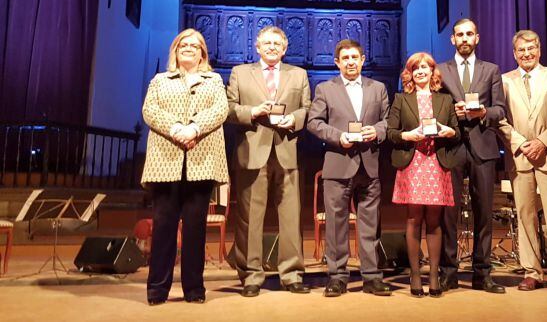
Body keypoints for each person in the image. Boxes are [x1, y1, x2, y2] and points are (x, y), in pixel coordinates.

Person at [141, 28, 229, 305]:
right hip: (165, 161)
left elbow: (220, 110)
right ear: (175, 50)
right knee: (164, 226)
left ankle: (194, 289)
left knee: (195, 229)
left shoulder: (213, 80)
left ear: (203, 52)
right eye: (183, 45)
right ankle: (157, 289)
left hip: (201, 160)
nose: (189, 48)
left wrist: (194, 129)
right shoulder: (159, 80)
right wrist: (176, 128)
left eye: (195, 45)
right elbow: (150, 110)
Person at [226, 26, 311, 297]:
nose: (272, 47)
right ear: (257, 47)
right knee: (249, 218)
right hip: (252, 151)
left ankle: (292, 274)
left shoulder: (298, 74)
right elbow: (228, 108)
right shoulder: (240, 73)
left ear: (285, 48)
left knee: (291, 216)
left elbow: (308, 108)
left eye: (277, 43)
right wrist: (253, 111)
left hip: (287, 149)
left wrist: (295, 119)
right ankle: (251, 275)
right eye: (267, 43)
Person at [307, 39, 392, 297]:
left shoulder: (378, 88)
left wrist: (376, 131)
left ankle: (372, 276)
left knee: (370, 224)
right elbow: (313, 122)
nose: (351, 62)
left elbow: (389, 121)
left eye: (355, 57)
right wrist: (337, 136)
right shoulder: (325, 88)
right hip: (338, 164)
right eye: (345, 58)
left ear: (363, 59)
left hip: (369, 165)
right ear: (337, 62)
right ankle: (337, 276)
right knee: (336, 224)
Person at [497, 30, 547, 292]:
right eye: (521, 50)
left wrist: (543, 142)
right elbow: (500, 119)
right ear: (514, 53)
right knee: (525, 215)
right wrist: (522, 143)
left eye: (531, 48)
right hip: (520, 156)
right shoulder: (504, 81)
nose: (526, 53)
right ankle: (532, 271)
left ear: (539, 50)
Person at [436, 19, 507, 294]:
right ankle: (449, 272)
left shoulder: (492, 70)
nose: (464, 38)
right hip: (451, 146)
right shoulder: (440, 70)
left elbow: (500, 109)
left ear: (477, 37)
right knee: (448, 213)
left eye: (469, 34)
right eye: (459, 34)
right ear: (452, 39)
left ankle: (483, 274)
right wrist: (452, 111)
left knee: (484, 213)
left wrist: (483, 113)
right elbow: (432, 109)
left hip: (483, 145)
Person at [387, 52, 460, 298]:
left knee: (435, 221)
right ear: (410, 73)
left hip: (436, 163)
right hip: (413, 163)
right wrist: (408, 135)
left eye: (424, 67)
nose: (420, 71)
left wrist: (447, 131)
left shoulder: (445, 100)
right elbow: (391, 132)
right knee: (413, 219)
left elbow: (456, 132)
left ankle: (434, 274)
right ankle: (415, 274)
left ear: (432, 72)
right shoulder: (401, 99)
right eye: (415, 68)